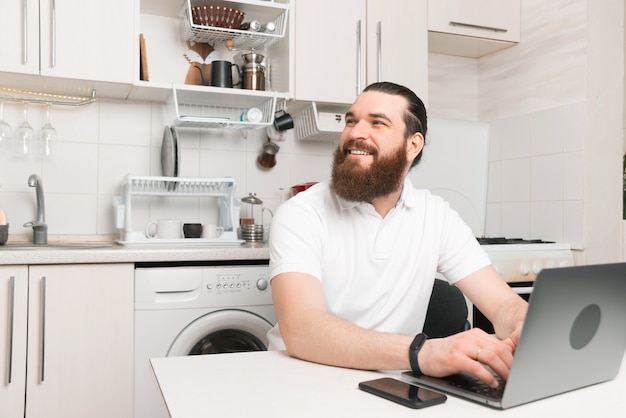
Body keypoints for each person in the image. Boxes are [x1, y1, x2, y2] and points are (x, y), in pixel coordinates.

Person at [267, 81, 527, 388]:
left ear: (412, 145)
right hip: (301, 384)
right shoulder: (302, 213)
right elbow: (302, 331)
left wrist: (525, 325)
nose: (355, 132)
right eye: (351, 121)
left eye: (377, 123)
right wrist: (423, 352)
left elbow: (502, 305)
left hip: (392, 386)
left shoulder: (436, 215)